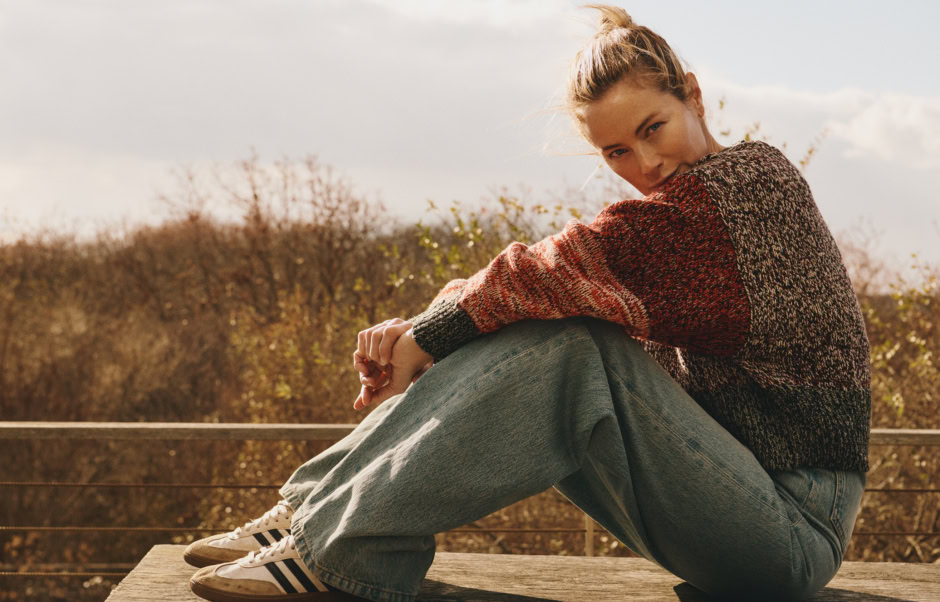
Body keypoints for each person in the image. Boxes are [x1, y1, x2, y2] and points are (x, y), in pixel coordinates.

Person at [185, 5, 871, 601]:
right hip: (729, 506)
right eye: (616, 151)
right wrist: (426, 330)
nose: (644, 164)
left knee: (572, 341)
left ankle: (339, 545)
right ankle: (312, 513)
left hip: (792, 527)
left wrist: (432, 331)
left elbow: (564, 264)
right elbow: (543, 290)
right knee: (555, 319)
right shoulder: (676, 237)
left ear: (693, 95)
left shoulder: (752, 185)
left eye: (654, 127)